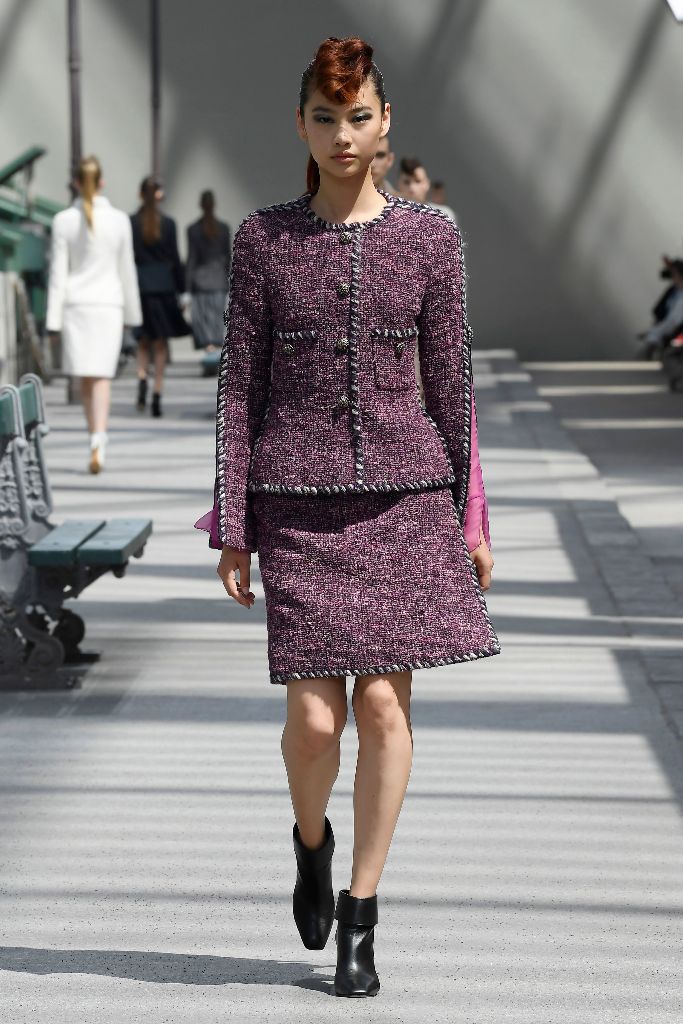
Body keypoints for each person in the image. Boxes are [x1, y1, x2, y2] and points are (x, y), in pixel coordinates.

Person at [194, 35, 500, 998]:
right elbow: (239, 388)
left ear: (385, 121)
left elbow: (451, 384)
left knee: (382, 707)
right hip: (295, 506)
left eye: (358, 116)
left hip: (406, 501)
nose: (341, 134)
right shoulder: (263, 239)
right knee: (316, 721)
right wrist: (232, 520)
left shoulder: (431, 237)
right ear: (299, 124)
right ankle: (311, 843)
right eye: (324, 117)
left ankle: (361, 914)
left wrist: (472, 517)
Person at [46, 155, 142, 473]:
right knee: (101, 377)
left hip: (76, 307)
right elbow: (126, 270)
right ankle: (99, 436)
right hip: (108, 307)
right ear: (102, 182)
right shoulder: (119, 220)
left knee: (85, 378)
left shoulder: (62, 221)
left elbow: (58, 274)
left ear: (75, 183)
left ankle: (93, 436)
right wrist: (133, 315)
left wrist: (52, 321)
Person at [130, 176, 189, 417]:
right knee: (161, 344)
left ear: (140, 194)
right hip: (164, 286)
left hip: (140, 287)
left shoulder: (131, 222)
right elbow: (175, 258)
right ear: (159, 195)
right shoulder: (169, 224)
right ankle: (157, 393)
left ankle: (142, 376)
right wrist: (182, 291)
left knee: (143, 340)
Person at [186, 190, 232, 353]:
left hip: (199, 281)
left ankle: (209, 351)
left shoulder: (193, 229)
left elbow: (191, 259)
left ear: (200, 205)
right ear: (214, 205)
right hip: (219, 280)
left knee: (203, 321)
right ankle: (215, 355)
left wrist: (186, 289)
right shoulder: (223, 228)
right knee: (217, 320)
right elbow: (228, 258)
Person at [397, 156, 458, 221]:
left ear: (427, 184)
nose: (412, 187)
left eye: (418, 181)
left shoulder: (444, 215)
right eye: (406, 182)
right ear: (399, 184)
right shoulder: (391, 214)